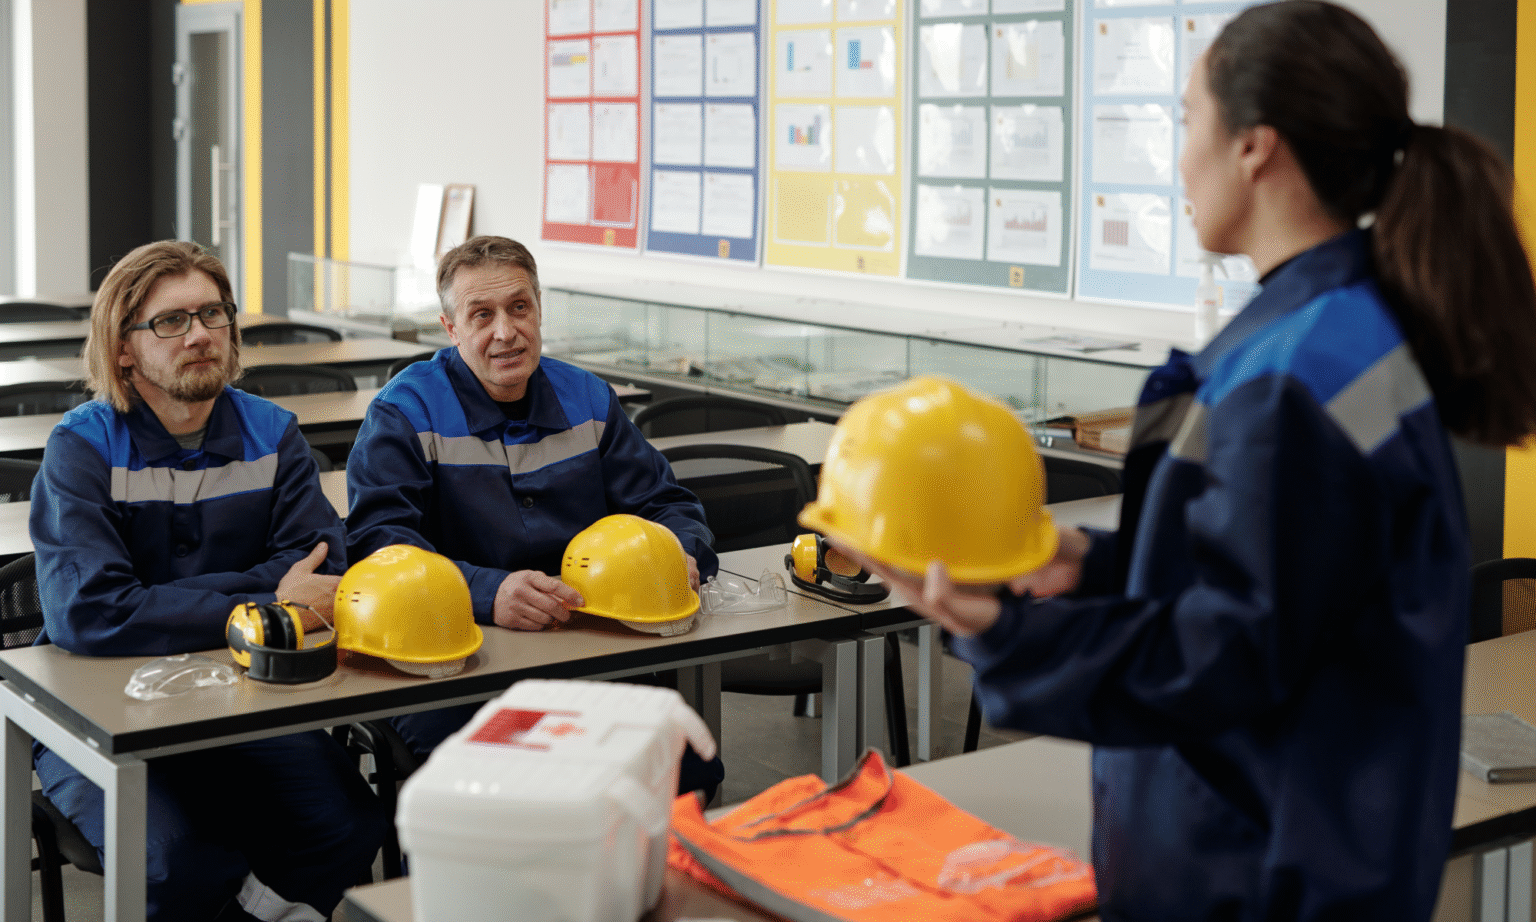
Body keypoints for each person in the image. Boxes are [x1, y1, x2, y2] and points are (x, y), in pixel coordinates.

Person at [843, 3, 1536, 920]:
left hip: (1262, 876)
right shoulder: (1342, 332)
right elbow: (1293, 585)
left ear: (1255, 145)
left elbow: (1226, 656)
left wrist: (1003, 633)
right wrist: (1097, 565)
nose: (1178, 159)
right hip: (1321, 845)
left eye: (1186, 121)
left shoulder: (1291, 372)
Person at [29, 241, 389, 922]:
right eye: (171, 321)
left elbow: (321, 573)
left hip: (243, 700)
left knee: (349, 824)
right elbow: (93, 613)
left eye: (213, 315)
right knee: (174, 861)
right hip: (98, 710)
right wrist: (263, 598)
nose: (199, 335)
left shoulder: (272, 433)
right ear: (124, 347)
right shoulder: (82, 446)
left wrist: (167, 602)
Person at [345, 235, 722, 792]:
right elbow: (379, 545)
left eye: (519, 307)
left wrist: (679, 550)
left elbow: (667, 504)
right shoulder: (405, 412)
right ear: (450, 329)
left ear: (539, 309)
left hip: (588, 649)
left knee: (686, 765)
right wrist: (487, 592)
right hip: (451, 661)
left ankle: (627, 880)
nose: (505, 331)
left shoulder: (589, 400)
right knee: (494, 787)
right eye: (481, 315)